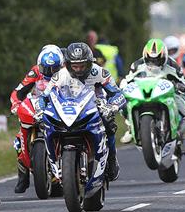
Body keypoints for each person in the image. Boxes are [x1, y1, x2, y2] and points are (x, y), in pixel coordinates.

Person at [46, 42, 126, 181]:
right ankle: (53, 160)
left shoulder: (99, 72)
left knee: (109, 123)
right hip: (68, 109)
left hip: (94, 107)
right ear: (68, 64)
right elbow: (45, 96)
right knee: (47, 124)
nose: (78, 70)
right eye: (75, 66)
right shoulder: (60, 75)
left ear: (89, 63)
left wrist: (112, 106)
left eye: (82, 66)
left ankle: (112, 159)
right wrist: (41, 109)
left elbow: (117, 94)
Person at [10, 45, 65, 193]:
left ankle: (67, 168)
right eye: (45, 68)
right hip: (36, 107)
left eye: (53, 69)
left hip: (58, 109)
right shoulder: (34, 72)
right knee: (17, 141)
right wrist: (16, 104)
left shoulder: (66, 73)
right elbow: (18, 91)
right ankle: (23, 177)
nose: (48, 72)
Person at [119, 38, 185, 144]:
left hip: (166, 94)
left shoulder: (172, 65)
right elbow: (128, 79)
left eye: (157, 59)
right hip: (144, 93)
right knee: (123, 104)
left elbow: (183, 81)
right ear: (145, 56)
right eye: (150, 59)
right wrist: (122, 87)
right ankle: (130, 127)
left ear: (164, 57)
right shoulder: (137, 65)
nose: (154, 62)